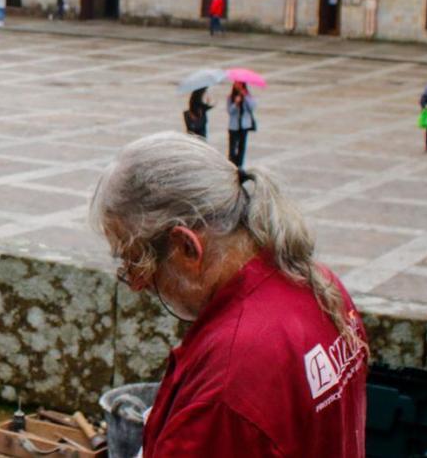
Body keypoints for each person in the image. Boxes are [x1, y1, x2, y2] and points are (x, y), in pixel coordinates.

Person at [90, 132, 368, 457]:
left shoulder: (227, 382)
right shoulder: (316, 282)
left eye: (136, 260)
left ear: (186, 247)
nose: (137, 284)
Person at [226, 81, 257, 167]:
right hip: (233, 126)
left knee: (242, 146)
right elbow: (229, 111)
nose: (238, 86)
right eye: (236, 84)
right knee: (232, 147)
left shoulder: (248, 96)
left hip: (244, 125)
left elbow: (253, 107)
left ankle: (240, 165)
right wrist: (235, 104)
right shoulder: (230, 97)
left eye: (240, 84)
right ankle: (231, 164)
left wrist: (245, 97)